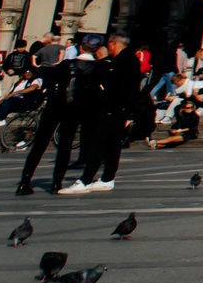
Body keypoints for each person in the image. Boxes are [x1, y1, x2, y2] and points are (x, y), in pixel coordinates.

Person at [71, 33, 143, 195]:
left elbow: (113, 83)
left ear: (113, 43)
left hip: (114, 109)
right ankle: (107, 179)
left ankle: (86, 180)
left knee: (97, 141)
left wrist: (103, 61)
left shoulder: (122, 61)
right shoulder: (130, 59)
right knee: (112, 144)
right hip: (121, 109)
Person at [15, 40, 87, 195]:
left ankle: (24, 182)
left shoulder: (60, 66)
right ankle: (56, 183)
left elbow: (45, 79)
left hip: (53, 105)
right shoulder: (91, 68)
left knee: (39, 144)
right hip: (72, 108)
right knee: (65, 145)